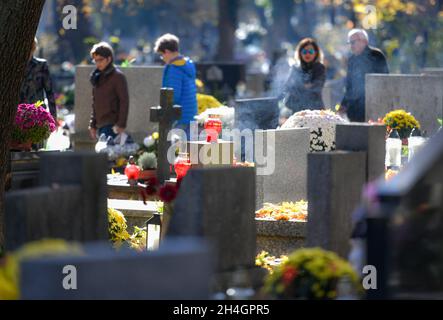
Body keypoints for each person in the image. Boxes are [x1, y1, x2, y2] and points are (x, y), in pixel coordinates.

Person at [340, 29, 389, 122]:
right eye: (349, 43)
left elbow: (384, 80)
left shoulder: (376, 55)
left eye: (353, 42)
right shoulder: (351, 60)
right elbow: (349, 85)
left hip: (373, 106)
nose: (351, 46)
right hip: (354, 109)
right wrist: (343, 105)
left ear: (364, 41)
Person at [154, 33, 197, 137]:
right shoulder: (187, 65)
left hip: (180, 116)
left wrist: (164, 109)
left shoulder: (174, 69)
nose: (162, 58)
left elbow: (173, 95)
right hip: (191, 114)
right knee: (190, 150)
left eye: (162, 54)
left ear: (167, 52)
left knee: (176, 150)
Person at [88, 42, 129, 140]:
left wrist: (120, 124)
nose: (98, 63)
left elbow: (124, 101)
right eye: (95, 60)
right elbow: (95, 103)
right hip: (100, 126)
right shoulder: (97, 77)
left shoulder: (118, 77)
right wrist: (92, 125)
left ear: (109, 59)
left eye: (100, 60)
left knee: (109, 154)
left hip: (112, 126)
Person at [281, 38, 326, 113]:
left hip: (315, 110)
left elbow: (317, 87)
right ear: (300, 53)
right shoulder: (295, 68)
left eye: (310, 51)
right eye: (304, 51)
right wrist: (305, 86)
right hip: (297, 110)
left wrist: (298, 86)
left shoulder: (319, 68)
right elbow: (287, 86)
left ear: (316, 53)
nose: (307, 54)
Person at [20, 37, 57, 121]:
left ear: (34, 48)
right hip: (19, 113)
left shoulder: (41, 65)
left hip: (37, 112)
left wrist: (53, 116)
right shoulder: (15, 66)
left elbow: (49, 91)